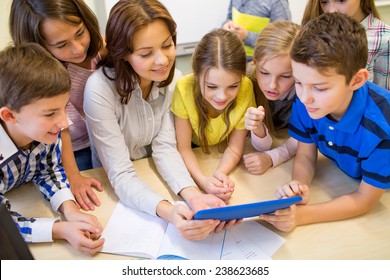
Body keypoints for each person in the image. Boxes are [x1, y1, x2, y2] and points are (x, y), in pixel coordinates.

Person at [84, 0, 235, 240]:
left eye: (167, 45)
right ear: (123, 54)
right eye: (146, 53)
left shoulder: (174, 79)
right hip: (116, 190)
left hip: (152, 174)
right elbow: (121, 174)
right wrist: (171, 211)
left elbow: (165, 148)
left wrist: (194, 197)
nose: (163, 60)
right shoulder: (99, 90)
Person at [259, 13, 390, 232]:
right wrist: (298, 186)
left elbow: (365, 200)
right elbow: (305, 156)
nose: (305, 97)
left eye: (320, 88)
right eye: (298, 82)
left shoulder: (382, 128)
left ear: (357, 80)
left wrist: (301, 216)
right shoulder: (307, 102)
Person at [0, 43, 104, 256]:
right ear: (10, 116)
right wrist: (58, 230)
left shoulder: (45, 133)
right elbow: (4, 226)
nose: (64, 122)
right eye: (50, 114)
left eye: (64, 108)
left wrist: (70, 209)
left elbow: (48, 170)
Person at [9, 0, 106, 211]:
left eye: (80, 33)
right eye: (61, 45)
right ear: (39, 46)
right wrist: (72, 174)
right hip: (67, 150)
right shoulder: (45, 78)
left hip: (100, 138)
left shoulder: (101, 49)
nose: (78, 48)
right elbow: (63, 128)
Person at [171, 28, 256, 202]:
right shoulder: (183, 88)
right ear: (196, 75)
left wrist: (220, 174)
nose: (222, 96)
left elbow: (234, 146)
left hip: (220, 153)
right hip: (194, 155)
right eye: (211, 87)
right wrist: (203, 182)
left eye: (233, 86)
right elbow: (184, 148)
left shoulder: (246, 87)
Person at [243, 21, 300, 175]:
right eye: (265, 73)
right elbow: (260, 145)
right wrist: (256, 127)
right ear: (255, 63)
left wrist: (271, 158)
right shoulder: (245, 82)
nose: (272, 85)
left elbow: (304, 138)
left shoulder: (305, 89)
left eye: (286, 76)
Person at [301, 0, 390, 90]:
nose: (332, 11)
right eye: (324, 2)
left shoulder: (384, 39)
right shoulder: (314, 31)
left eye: (341, 0)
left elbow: (383, 98)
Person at [222, 0, 291, 61]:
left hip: (259, 63)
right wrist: (226, 25)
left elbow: (283, 40)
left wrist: (246, 36)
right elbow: (229, 16)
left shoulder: (278, 2)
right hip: (233, 56)